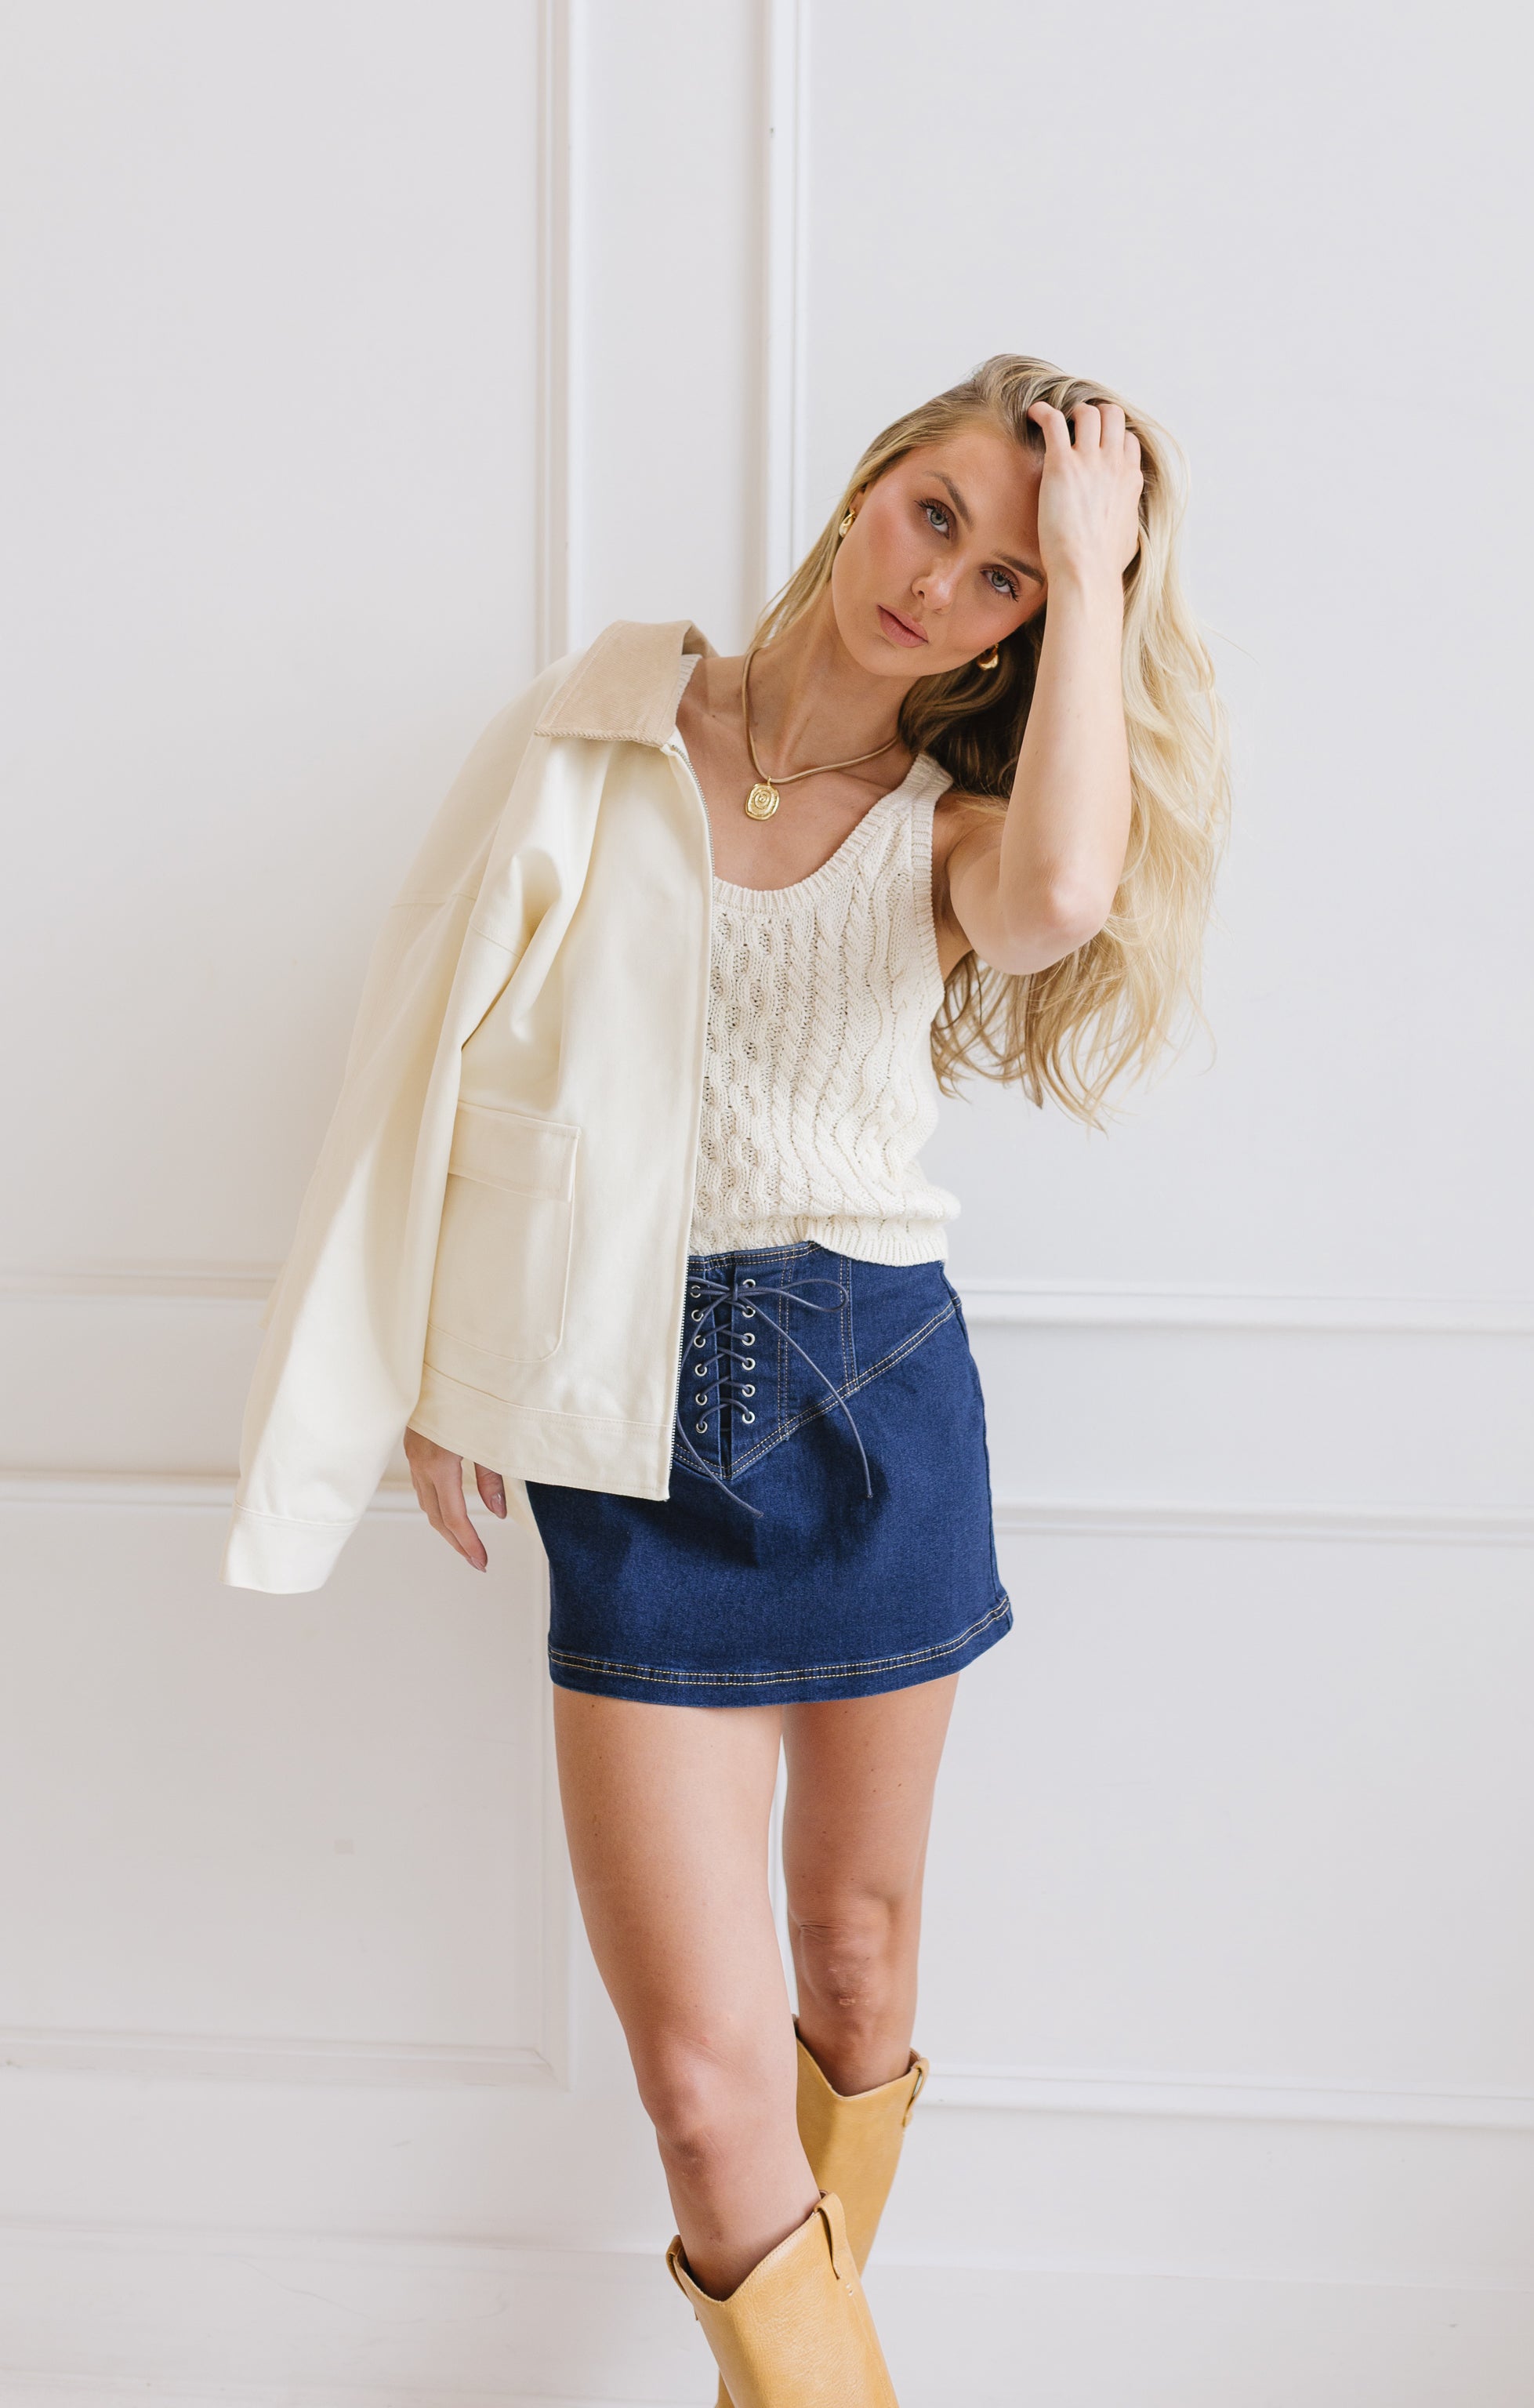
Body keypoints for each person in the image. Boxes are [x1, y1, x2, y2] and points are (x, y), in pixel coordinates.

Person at [223, 354, 1227, 2404]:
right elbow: (437, 1039)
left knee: (853, 1964)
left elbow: (1062, 900)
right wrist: (444, 1359)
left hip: (875, 1400)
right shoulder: (595, 736)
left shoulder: (958, 830)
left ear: (1037, 631)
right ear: (869, 488)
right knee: (700, 2087)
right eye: (938, 517)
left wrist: (1101, 564)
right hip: (625, 1416)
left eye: (1010, 580)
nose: (941, 586)